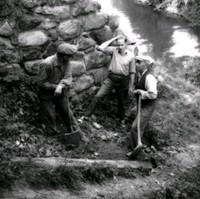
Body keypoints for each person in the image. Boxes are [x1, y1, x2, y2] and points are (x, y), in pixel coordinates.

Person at [80, 35, 136, 125]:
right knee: (98, 96)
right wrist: (115, 38)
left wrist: (132, 85)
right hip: (111, 78)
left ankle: (121, 120)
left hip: (123, 81)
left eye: (122, 45)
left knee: (121, 102)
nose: (120, 47)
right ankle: (86, 116)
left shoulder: (131, 56)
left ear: (126, 44)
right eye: (118, 45)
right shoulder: (114, 50)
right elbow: (101, 47)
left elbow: (132, 72)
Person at [37, 43, 85, 139]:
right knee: (50, 116)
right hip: (46, 95)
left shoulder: (66, 62)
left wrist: (60, 86)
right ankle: (52, 136)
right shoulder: (46, 64)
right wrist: (56, 87)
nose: (71, 58)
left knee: (68, 113)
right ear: (64, 56)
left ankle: (77, 133)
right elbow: (41, 83)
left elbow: (68, 77)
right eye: (70, 56)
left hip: (60, 93)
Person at [128, 55, 158, 159]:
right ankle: (145, 144)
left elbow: (153, 94)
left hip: (148, 105)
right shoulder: (140, 74)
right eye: (136, 62)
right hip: (141, 104)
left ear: (145, 64)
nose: (136, 64)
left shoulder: (149, 77)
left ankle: (134, 149)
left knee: (135, 127)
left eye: (139, 62)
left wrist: (140, 92)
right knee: (143, 125)